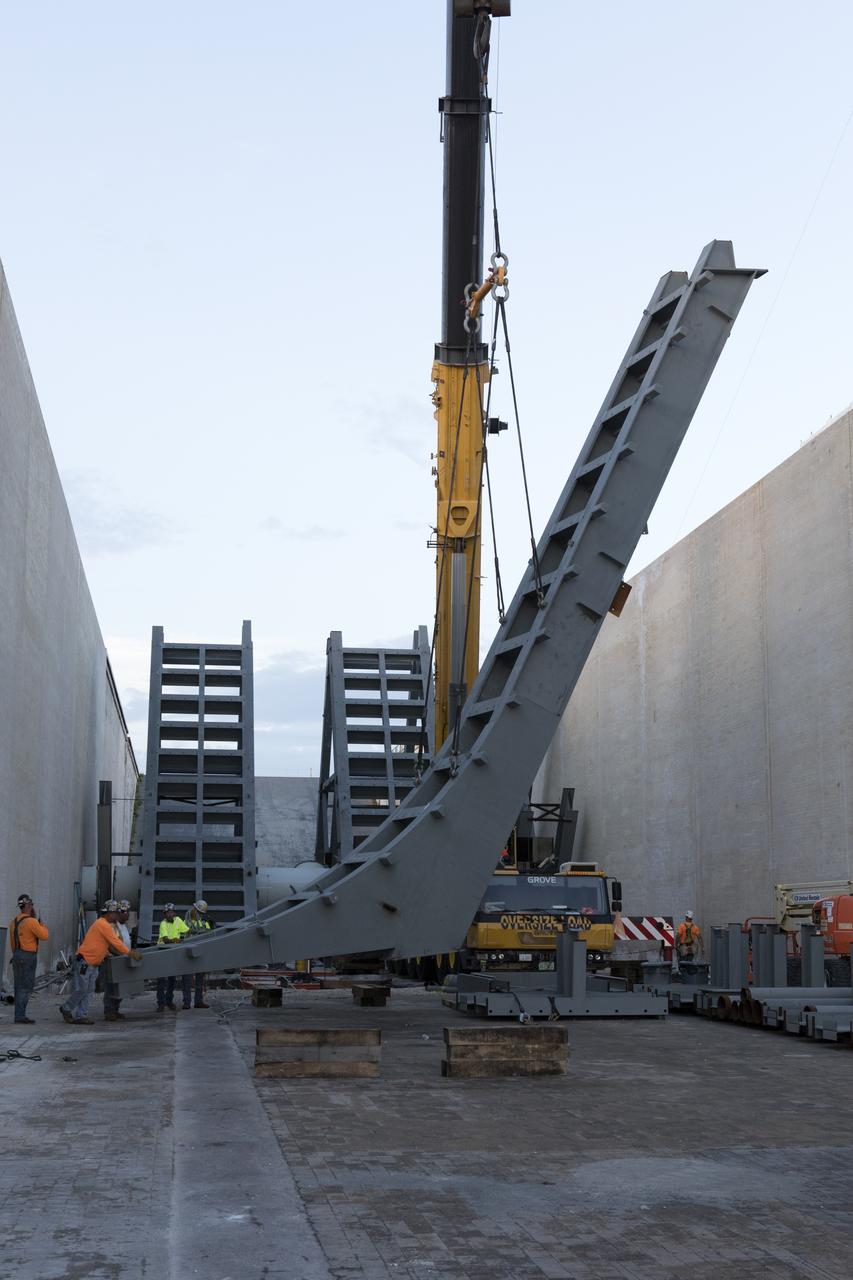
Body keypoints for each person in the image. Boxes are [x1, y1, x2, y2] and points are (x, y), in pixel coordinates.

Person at [60, 901, 132, 1025]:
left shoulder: (105, 925)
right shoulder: (102, 924)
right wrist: (129, 953)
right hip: (85, 962)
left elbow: (105, 946)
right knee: (82, 989)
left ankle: (81, 1015)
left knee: (89, 990)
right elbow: (115, 941)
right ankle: (66, 1008)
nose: (116, 916)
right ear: (109, 913)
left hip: (93, 964)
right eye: (115, 913)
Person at [8, 894, 49, 1024]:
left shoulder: (13, 922)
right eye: (31, 905)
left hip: (17, 955)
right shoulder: (31, 921)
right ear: (28, 906)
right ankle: (20, 1016)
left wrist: (17, 954)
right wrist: (41, 924)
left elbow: (13, 943)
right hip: (28, 956)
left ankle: (18, 1014)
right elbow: (44, 936)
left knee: (18, 986)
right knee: (25, 987)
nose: (32, 907)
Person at [181, 900, 214, 1009]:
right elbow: (186, 931)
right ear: (194, 909)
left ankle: (198, 1001)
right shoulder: (185, 921)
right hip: (188, 952)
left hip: (200, 952)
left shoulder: (204, 921)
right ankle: (186, 1002)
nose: (199, 914)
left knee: (200, 977)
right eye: (198, 912)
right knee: (187, 978)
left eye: (201, 913)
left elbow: (209, 935)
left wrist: (210, 926)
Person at [156, 903, 189, 1011]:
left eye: (171, 912)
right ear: (164, 914)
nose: (170, 914)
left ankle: (169, 1001)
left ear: (174, 913)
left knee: (171, 979)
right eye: (167, 913)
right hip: (162, 952)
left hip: (173, 952)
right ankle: (161, 1003)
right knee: (161, 979)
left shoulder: (178, 920)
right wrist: (175, 940)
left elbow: (187, 930)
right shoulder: (163, 924)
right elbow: (165, 940)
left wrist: (199, 932)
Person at [103, 900, 132, 1021]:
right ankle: (109, 1011)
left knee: (119, 987)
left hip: (122, 959)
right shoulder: (112, 926)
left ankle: (115, 1009)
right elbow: (111, 945)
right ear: (120, 913)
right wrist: (120, 955)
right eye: (127, 912)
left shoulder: (124, 926)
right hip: (113, 959)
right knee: (111, 987)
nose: (128, 915)